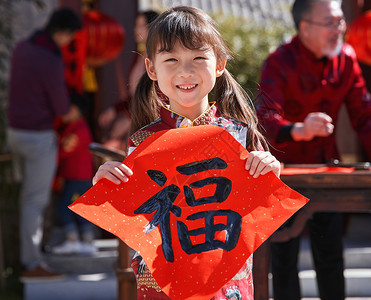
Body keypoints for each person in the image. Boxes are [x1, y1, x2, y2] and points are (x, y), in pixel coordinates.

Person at [92, 6, 281, 299]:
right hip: (164, 286)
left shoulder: (239, 135)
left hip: (225, 286)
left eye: (198, 58)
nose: (185, 71)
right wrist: (105, 184)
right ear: (151, 69)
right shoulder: (142, 143)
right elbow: (133, 224)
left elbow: (257, 218)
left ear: (219, 64)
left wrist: (270, 175)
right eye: (171, 59)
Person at [255, 0, 371, 299]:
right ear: (304, 27)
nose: (339, 29)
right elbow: (263, 118)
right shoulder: (279, 61)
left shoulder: (346, 59)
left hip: (326, 170)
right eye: (331, 23)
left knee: (331, 256)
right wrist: (298, 129)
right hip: (283, 174)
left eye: (340, 22)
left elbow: (363, 113)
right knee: (283, 259)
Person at [7, 8, 82, 279]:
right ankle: (31, 263)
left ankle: (26, 259)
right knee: (34, 203)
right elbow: (61, 106)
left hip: (15, 132)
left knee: (24, 199)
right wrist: (72, 112)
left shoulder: (22, 48)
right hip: (38, 136)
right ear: (63, 33)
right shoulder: (49, 57)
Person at [98, 10, 160, 152]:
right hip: (136, 117)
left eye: (140, 25)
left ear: (152, 28)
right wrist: (115, 110)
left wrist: (129, 119)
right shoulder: (139, 56)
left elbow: (155, 97)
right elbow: (134, 93)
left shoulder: (159, 58)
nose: (135, 30)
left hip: (150, 121)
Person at [52, 104, 97, 255]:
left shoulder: (78, 129)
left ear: (76, 110)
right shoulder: (77, 127)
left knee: (66, 207)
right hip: (78, 176)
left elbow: (64, 150)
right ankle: (86, 241)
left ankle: (74, 241)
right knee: (78, 208)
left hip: (77, 177)